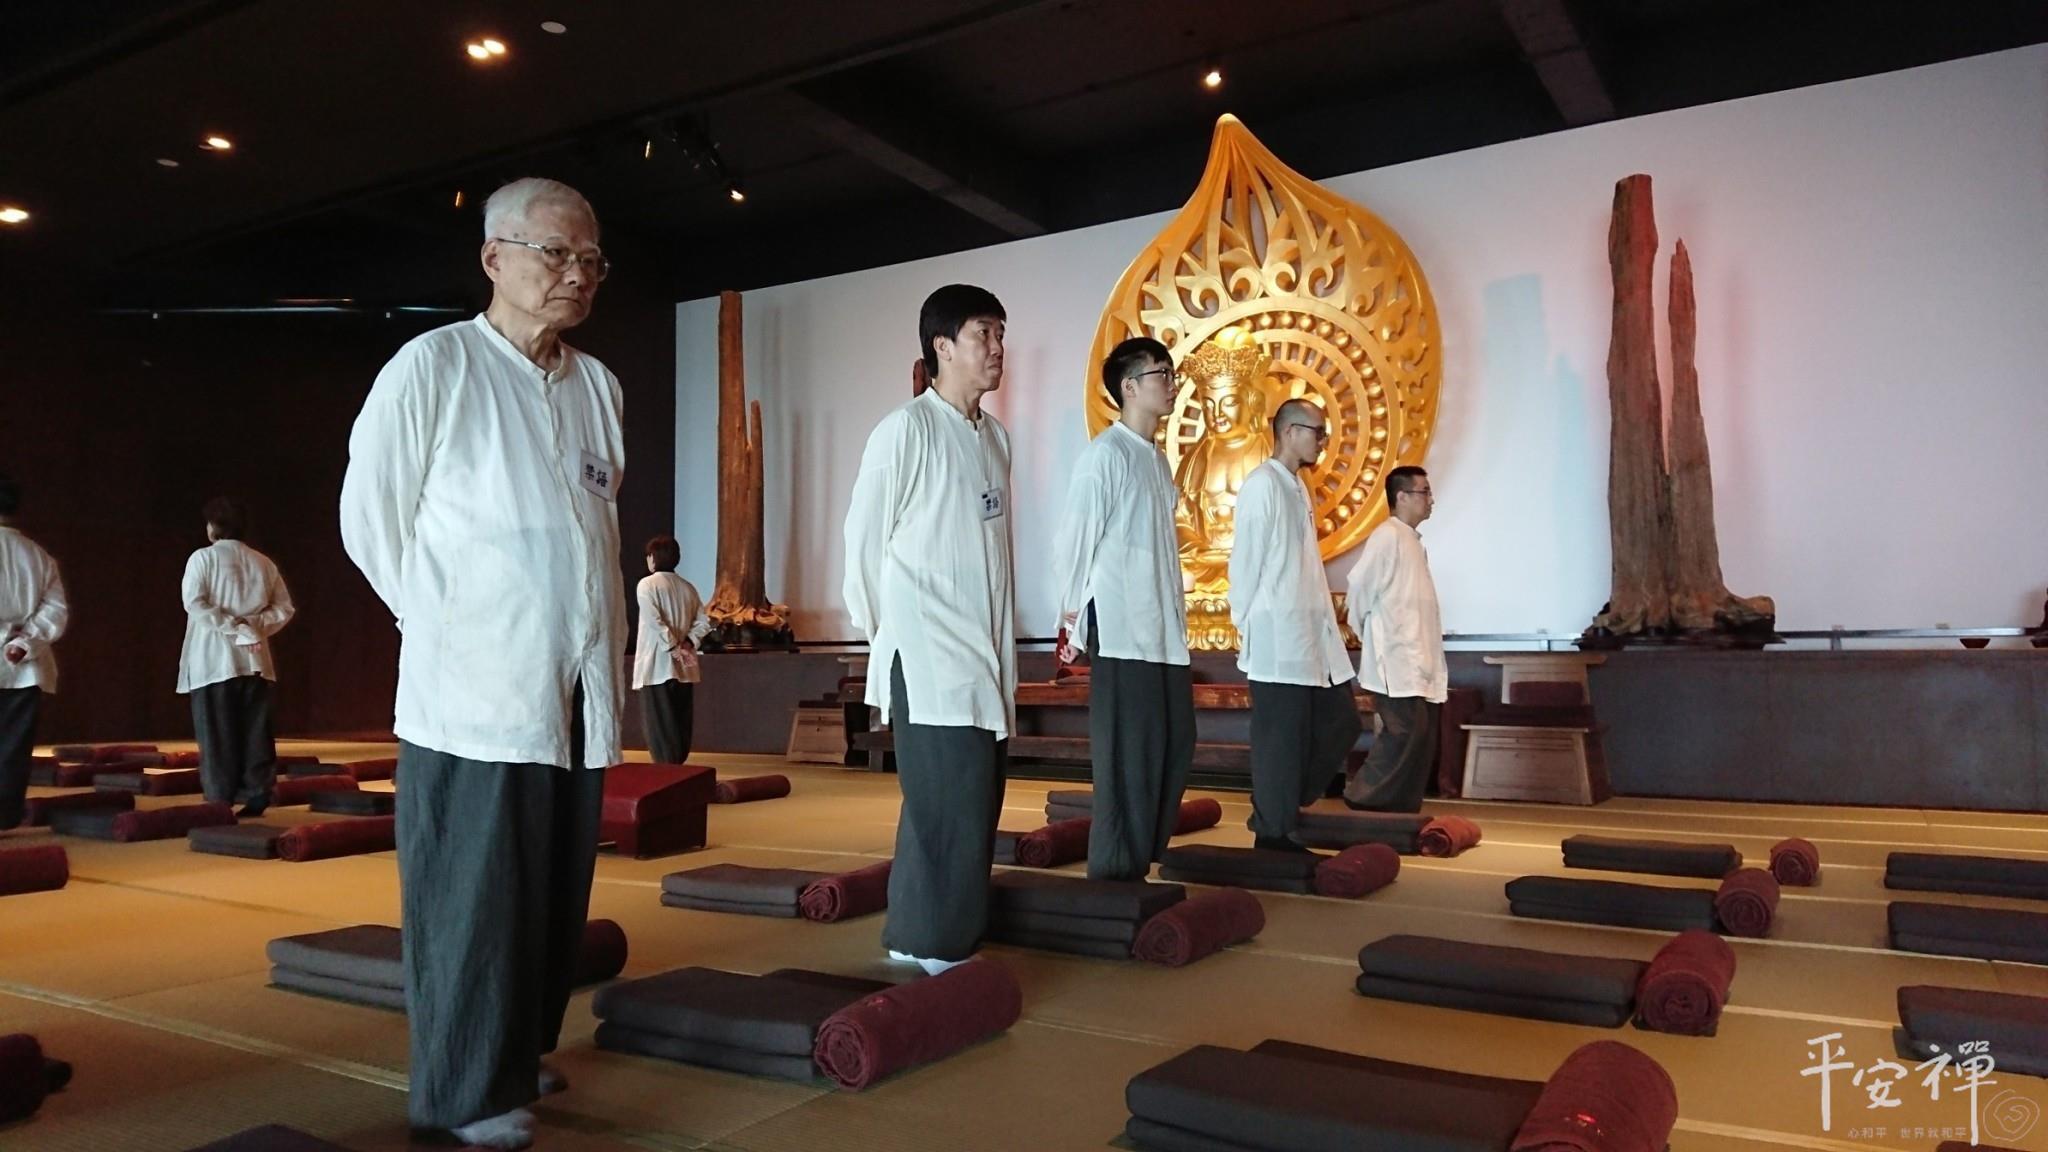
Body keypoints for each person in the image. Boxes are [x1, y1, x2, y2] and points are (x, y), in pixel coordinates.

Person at [339, 176, 625, 1152]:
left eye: (591, 259)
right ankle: (464, 1091)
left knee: (550, 893)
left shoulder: (598, 386)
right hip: (473, 688)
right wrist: (448, 625)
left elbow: (592, 527)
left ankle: (514, 1053)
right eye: (556, 252)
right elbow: (370, 519)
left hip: (574, 686)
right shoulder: (436, 366)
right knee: (475, 896)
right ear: (494, 258)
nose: (576, 273)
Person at [843, 283, 1014, 975]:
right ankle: (929, 939)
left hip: (984, 651)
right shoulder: (904, 431)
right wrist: (891, 638)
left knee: (976, 796)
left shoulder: (995, 438)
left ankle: (937, 931)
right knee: (945, 799)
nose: (997, 347)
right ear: (942, 346)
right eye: (983, 333)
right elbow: (862, 546)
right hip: (927, 652)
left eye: (1000, 334)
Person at [1051, 336, 1194, 881]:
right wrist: (1070, 620)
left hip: (1162, 630)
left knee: (1174, 744)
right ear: (1129, 387)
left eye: (1172, 373)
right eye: (1162, 374)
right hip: (1122, 625)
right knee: (1127, 756)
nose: (1172, 384)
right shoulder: (1105, 456)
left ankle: (1141, 861)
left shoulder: (1156, 459)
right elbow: (1074, 542)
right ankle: (1113, 872)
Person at [1226, 397, 1361, 851]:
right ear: (1289, 431)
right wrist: (1247, 624)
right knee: (1279, 741)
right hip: (1276, 635)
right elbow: (1245, 562)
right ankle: (1273, 831)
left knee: (1342, 721)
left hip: (1310, 634)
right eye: (1317, 432)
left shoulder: (1298, 486)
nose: (1323, 441)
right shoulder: (1262, 485)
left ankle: (1280, 803)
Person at [176, 497, 294, 816]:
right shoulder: (263, 563)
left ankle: (220, 799)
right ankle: (257, 791)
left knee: (216, 732)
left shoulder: (203, 558)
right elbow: (284, 609)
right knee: (255, 730)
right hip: (255, 661)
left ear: (213, 527)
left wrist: (233, 626)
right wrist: (252, 625)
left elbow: (194, 603)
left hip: (213, 659)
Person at [1343, 466, 1446, 812]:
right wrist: (1369, 632)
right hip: (1396, 658)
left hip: (1419, 656)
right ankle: (1362, 798)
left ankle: (1401, 809)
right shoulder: (1387, 536)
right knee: (1402, 733)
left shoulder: (1412, 541)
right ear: (1401, 496)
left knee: (1421, 736)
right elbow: (1359, 587)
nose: (1431, 500)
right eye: (1424, 492)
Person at [0, 476, 67, 832]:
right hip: (24, 668)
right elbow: (55, 610)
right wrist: (25, 642)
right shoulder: (39, 556)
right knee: (13, 748)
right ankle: (4, 816)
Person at [633, 534, 709, 763]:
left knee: (659, 726)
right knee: (680, 722)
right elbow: (704, 621)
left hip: (657, 664)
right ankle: (677, 769)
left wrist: (673, 645)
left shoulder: (647, 584)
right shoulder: (688, 588)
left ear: (652, 557)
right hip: (684, 664)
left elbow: (654, 620)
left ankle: (667, 772)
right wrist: (688, 642)